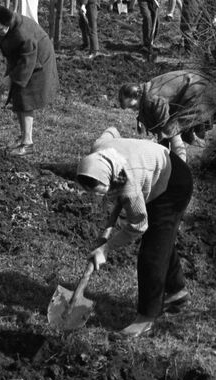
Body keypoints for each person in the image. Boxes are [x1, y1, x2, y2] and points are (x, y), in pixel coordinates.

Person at [76, 126, 193, 338]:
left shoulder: (130, 188)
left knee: (152, 252)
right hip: (154, 168)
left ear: (113, 178)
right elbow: (112, 130)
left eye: (106, 190)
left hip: (174, 185)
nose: (104, 196)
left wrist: (106, 248)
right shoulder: (99, 148)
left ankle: (146, 318)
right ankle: (176, 292)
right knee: (161, 240)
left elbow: (138, 226)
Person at [0, 5, 59, 156]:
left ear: (8, 23)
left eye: (0, 30)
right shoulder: (9, 27)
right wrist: (9, 74)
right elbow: (14, 54)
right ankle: (24, 136)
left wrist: (12, 77)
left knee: (25, 98)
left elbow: (27, 61)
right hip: (25, 61)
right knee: (18, 97)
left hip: (38, 63)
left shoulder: (22, 34)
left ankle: (27, 143)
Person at [119, 69, 213, 162]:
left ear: (138, 95)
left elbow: (163, 120)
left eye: (133, 106)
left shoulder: (151, 98)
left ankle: (181, 167)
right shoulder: (147, 89)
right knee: (170, 131)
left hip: (200, 91)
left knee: (171, 130)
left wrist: (163, 136)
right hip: (199, 84)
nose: (134, 109)